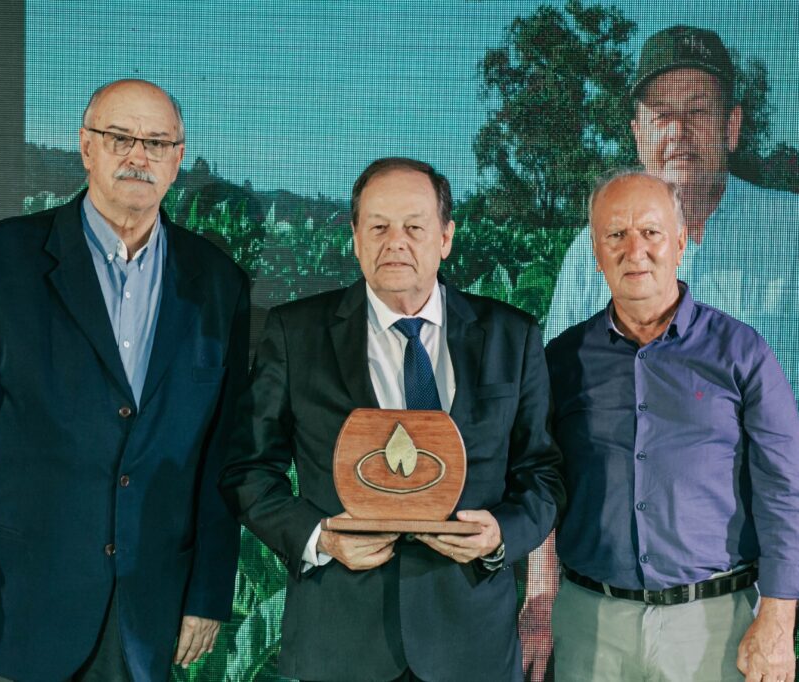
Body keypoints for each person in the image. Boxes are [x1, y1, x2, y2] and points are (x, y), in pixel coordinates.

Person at [522, 26, 799, 680]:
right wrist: (541, 593)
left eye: (698, 110)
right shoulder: (587, 255)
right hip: (604, 604)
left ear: (731, 126)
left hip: (754, 594)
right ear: (637, 134)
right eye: (661, 115)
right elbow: (543, 437)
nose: (679, 129)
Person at [0, 79, 249, 681]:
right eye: (119, 137)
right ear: (85, 147)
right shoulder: (0, 258)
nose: (137, 155)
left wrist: (206, 591)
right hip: (0, 612)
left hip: (143, 620)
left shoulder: (219, 283)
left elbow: (221, 454)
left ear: (178, 158)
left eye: (156, 142)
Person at [219, 157, 564, 682]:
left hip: (471, 645)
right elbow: (247, 471)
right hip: (340, 643)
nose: (395, 242)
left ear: (446, 238)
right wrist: (320, 538)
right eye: (378, 226)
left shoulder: (511, 336)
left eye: (414, 226)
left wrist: (501, 534)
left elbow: (543, 473)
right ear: (355, 237)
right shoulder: (296, 333)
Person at [546, 170, 799, 681]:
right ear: (595, 250)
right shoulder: (562, 361)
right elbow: (541, 483)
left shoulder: (742, 353)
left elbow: (788, 493)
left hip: (715, 627)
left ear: (679, 241)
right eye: (615, 235)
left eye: (650, 232)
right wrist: (539, 600)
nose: (635, 250)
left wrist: (778, 622)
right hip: (591, 625)